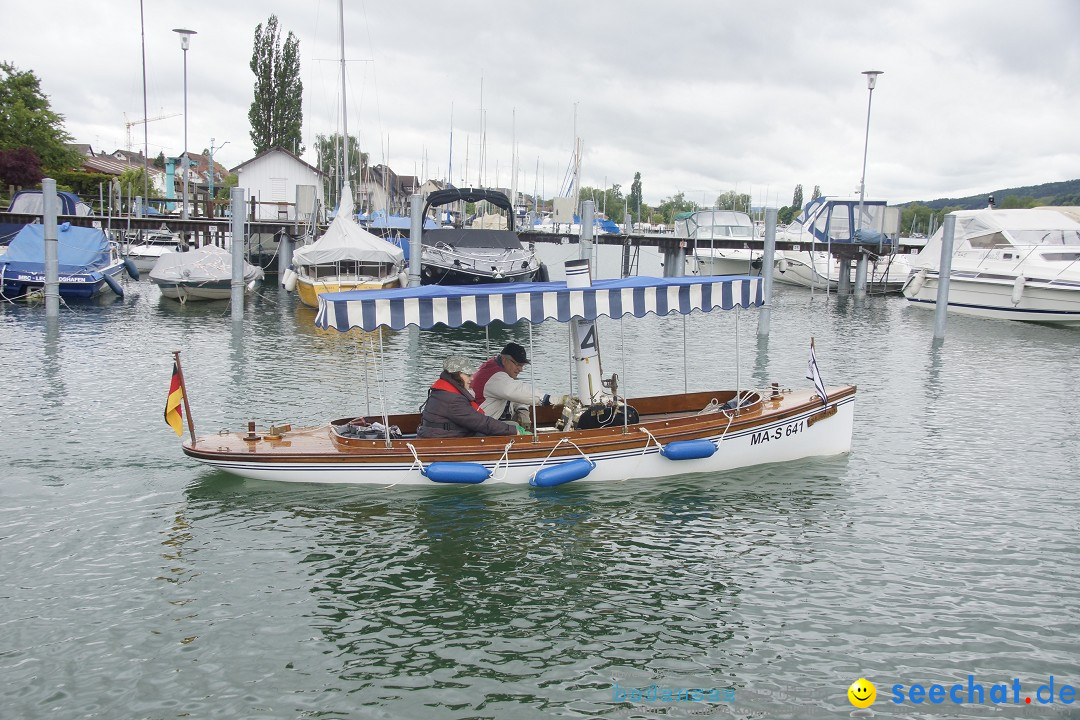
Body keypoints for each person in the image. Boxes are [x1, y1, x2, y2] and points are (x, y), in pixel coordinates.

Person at [416, 355, 520, 439]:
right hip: (441, 442)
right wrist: (514, 431)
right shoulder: (453, 399)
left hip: (437, 436)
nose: (472, 379)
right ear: (459, 374)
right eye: (468, 375)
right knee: (491, 433)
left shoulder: (442, 392)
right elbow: (480, 422)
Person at [472, 342, 566, 426]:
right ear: (504, 360)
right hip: (481, 425)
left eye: (522, 365)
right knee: (514, 427)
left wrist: (522, 409)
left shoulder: (494, 367)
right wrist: (553, 399)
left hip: (487, 419)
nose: (521, 369)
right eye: (517, 364)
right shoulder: (495, 376)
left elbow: (515, 394)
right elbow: (516, 391)